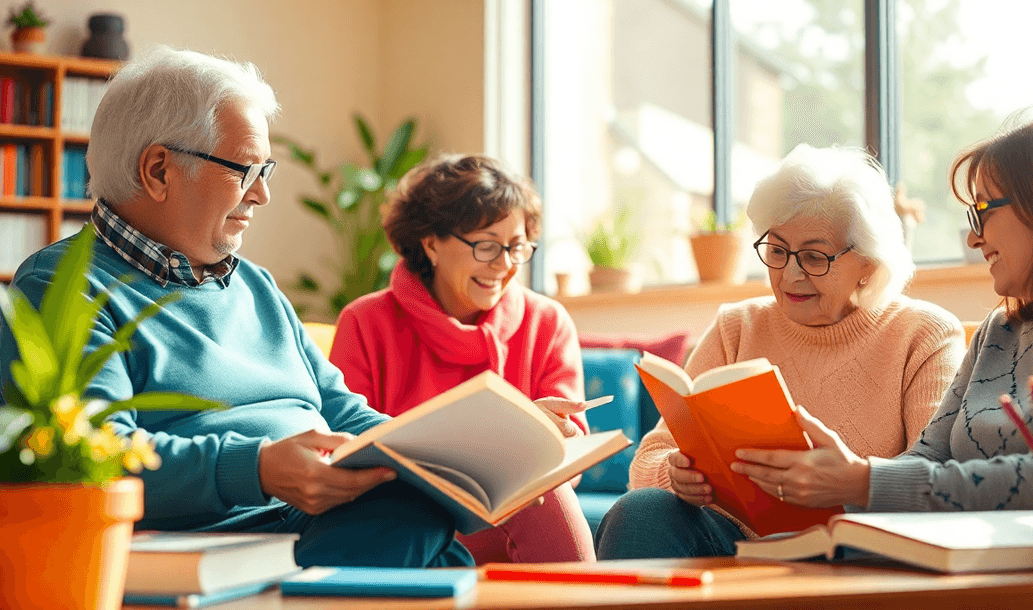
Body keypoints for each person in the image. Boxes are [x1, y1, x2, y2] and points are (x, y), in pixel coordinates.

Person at [0, 46, 472, 569]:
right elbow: (92, 458)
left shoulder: (255, 285)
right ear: (159, 170)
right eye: (245, 170)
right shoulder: (63, 287)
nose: (263, 194)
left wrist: (455, 451)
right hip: (213, 543)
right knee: (415, 523)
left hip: (316, 523)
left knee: (433, 528)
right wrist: (258, 468)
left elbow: (341, 412)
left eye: (265, 170)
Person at [723, 108, 1033, 523]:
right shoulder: (1002, 329)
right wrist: (839, 476)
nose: (973, 238)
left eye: (983, 212)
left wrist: (864, 481)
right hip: (967, 562)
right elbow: (930, 456)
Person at [595, 145, 966, 559]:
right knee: (640, 511)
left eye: (813, 257)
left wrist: (851, 481)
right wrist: (675, 474)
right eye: (776, 251)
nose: (790, 274)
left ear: (868, 262)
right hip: (734, 542)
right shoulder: (737, 326)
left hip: (857, 544)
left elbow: (936, 478)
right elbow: (648, 459)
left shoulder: (924, 335)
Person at [329, 154, 596, 564]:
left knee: (547, 487)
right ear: (431, 243)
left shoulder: (547, 321)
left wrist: (536, 437)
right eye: (486, 246)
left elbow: (571, 457)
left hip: (514, 517)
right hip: (406, 517)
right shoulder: (365, 321)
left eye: (516, 247)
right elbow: (344, 450)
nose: (504, 264)